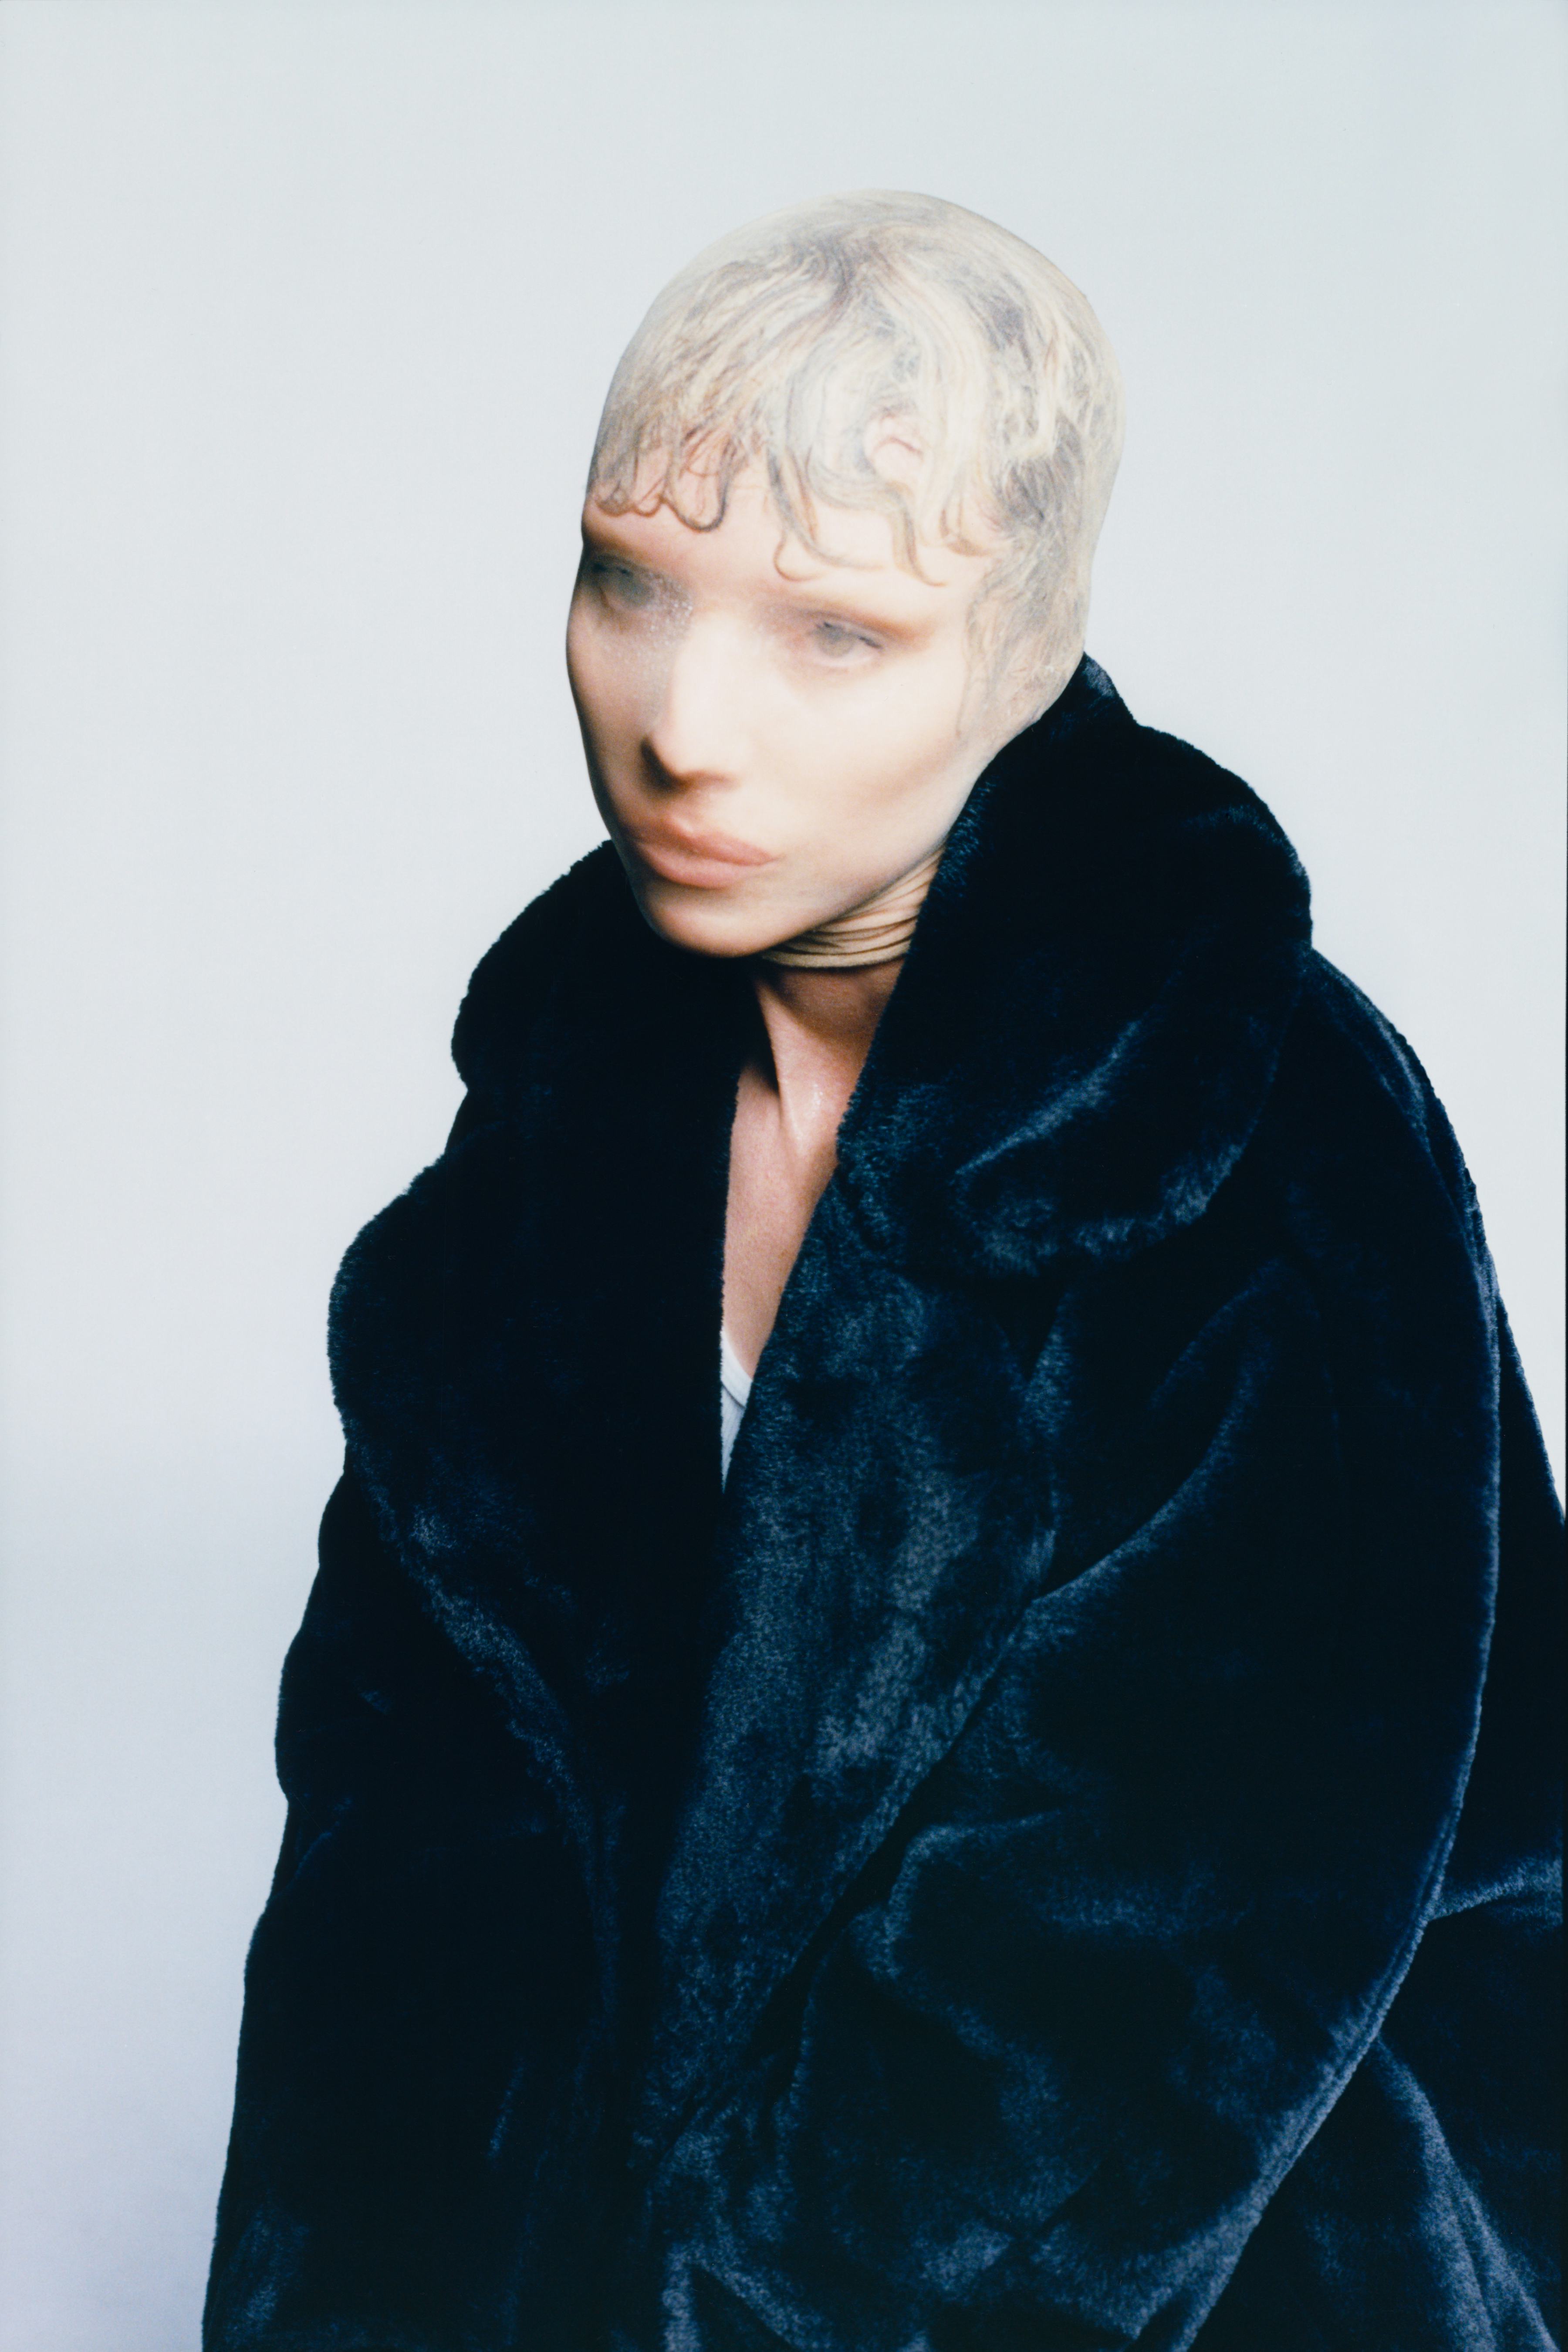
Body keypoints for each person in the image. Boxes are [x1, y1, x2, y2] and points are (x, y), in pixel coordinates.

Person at [204, 191, 1561, 2351]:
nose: (686, 721)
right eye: (632, 583)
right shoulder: (550, 1139)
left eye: (835, 633)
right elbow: (397, 1898)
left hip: (1239, 2241)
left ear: (1028, 648)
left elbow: (1139, 1966)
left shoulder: (1251, 1129)